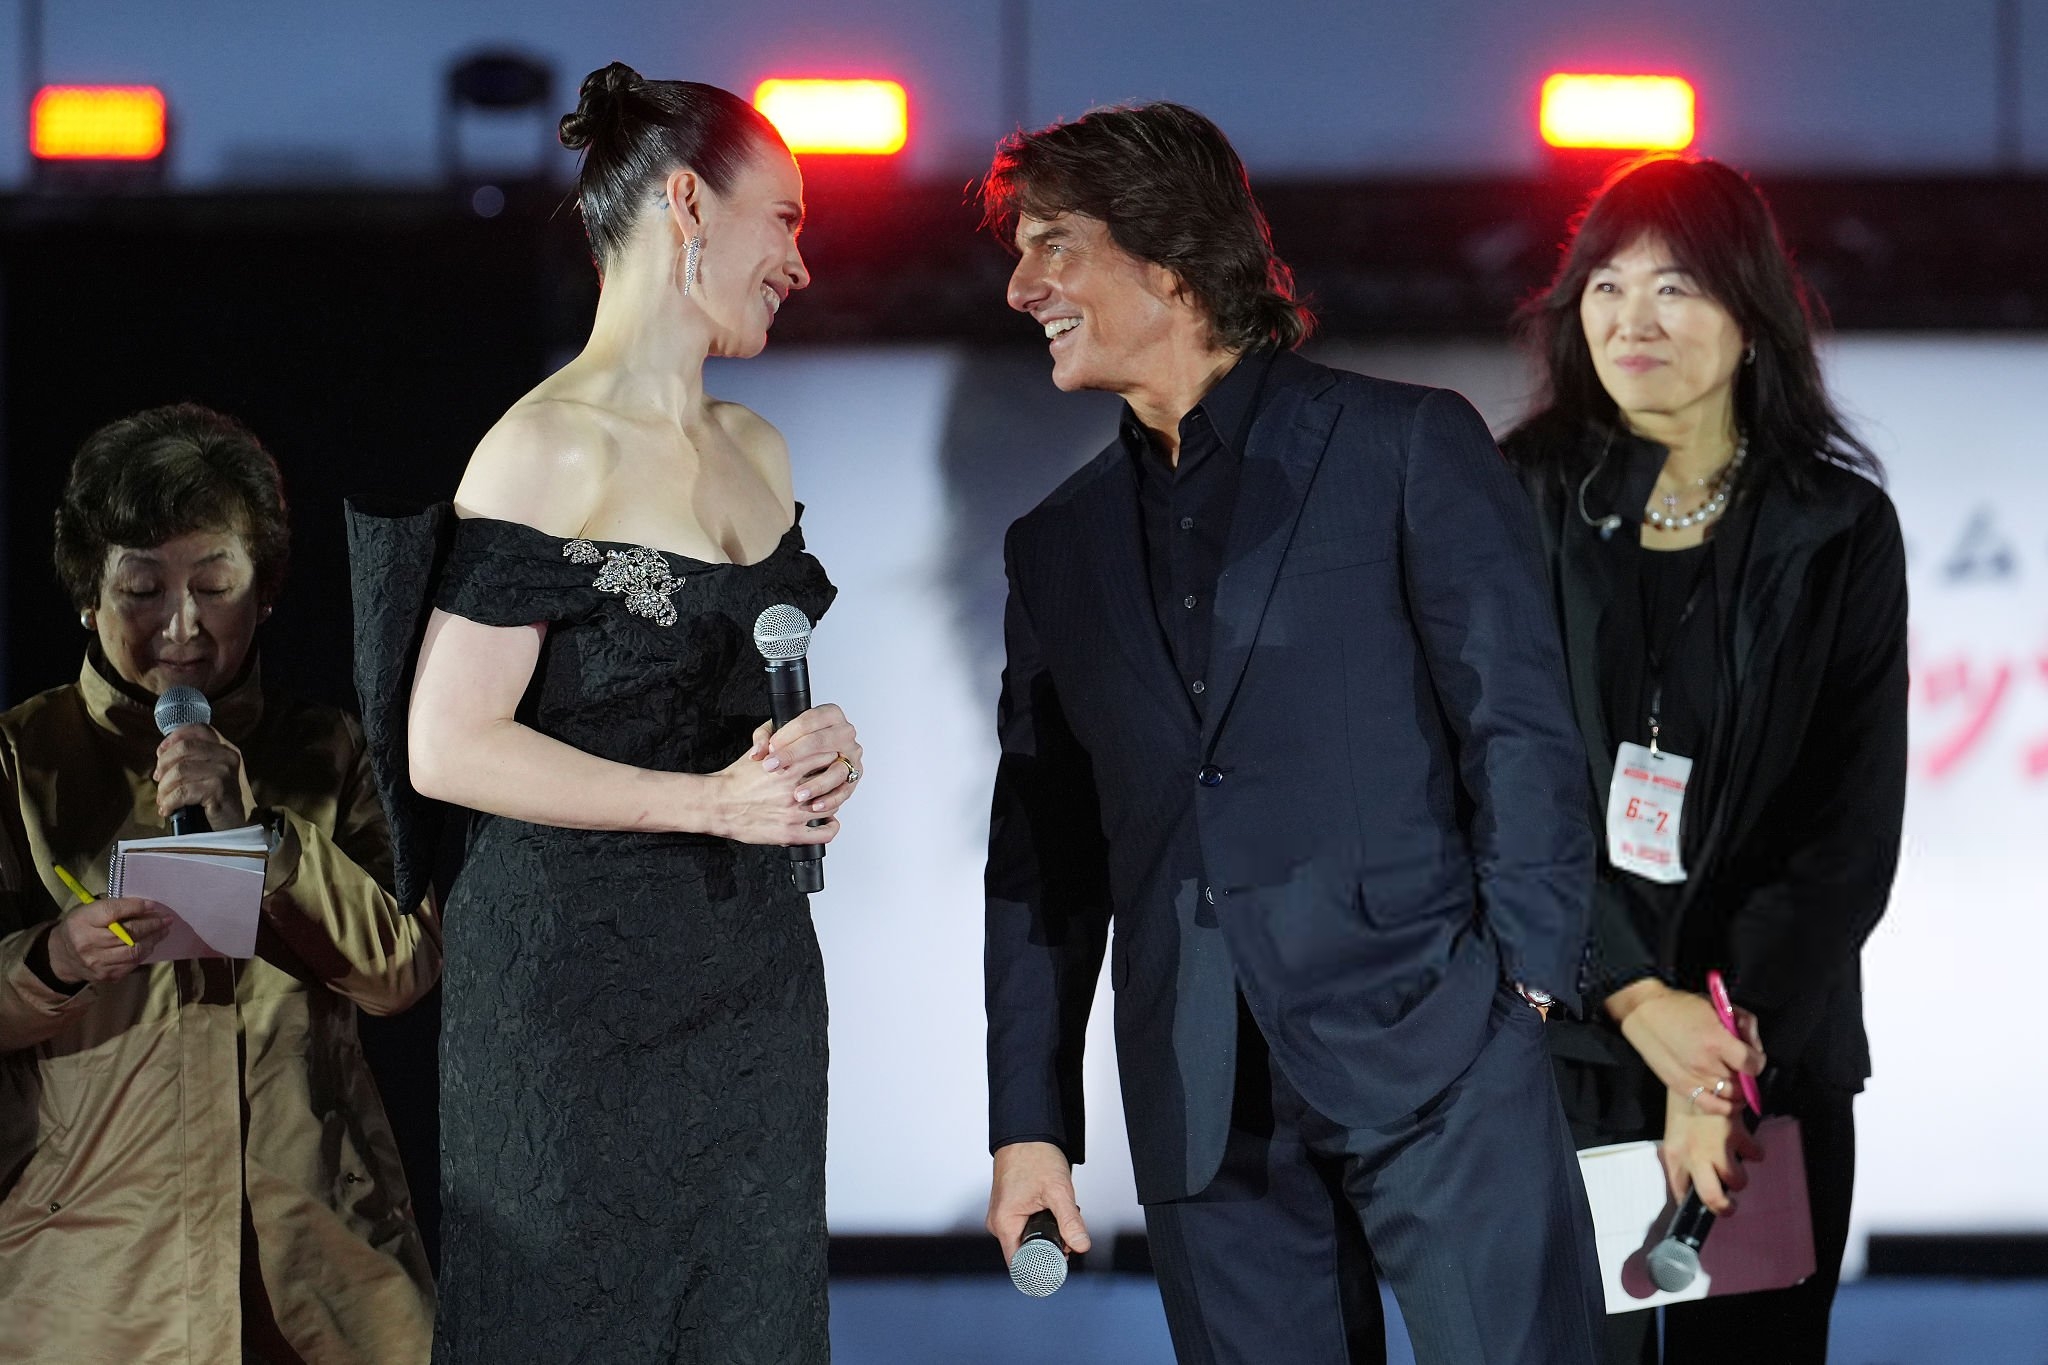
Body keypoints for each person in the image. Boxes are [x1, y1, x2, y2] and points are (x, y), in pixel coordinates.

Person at [978, 102, 1603, 1365]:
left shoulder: (1401, 446)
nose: (1020, 286)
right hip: (1200, 1099)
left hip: (1437, 1055)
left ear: (1168, 260)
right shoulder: (1055, 544)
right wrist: (1028, 1123)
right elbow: (1043, 856)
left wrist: (1525, 991)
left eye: (1054, 245)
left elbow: (1519, 728)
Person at [346, 62, 862, 1363]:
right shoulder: (544, 447)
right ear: (688, 204)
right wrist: (710, 804)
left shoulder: (758, 451)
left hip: (749, 982)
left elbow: (739, 715)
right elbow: (445, 742)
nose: (801, 262)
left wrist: (808, 755)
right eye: (785, 219)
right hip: (569, 1001)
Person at [1502, 155, 1907, 1364]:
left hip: (1766, 1049)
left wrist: (1715, 1059)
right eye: (1604, 285)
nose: (1630, 318)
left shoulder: (1834, 528)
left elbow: (1843, 829)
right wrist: (1636, 997)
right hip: (1568, 1042)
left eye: (1672, 286)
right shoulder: (1516, 499)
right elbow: (1501, 787)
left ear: (1747, 315)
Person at [0, 404, 439, 1364]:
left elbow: (403, 967)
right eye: (142, 588)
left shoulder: (330, 751)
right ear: (88, 597)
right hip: (98, 1284)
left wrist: (267, 837)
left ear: (265, 591)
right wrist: (54, 959)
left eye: (215, 584)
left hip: (324, 1275)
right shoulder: (22, 759)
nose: (183, 625)